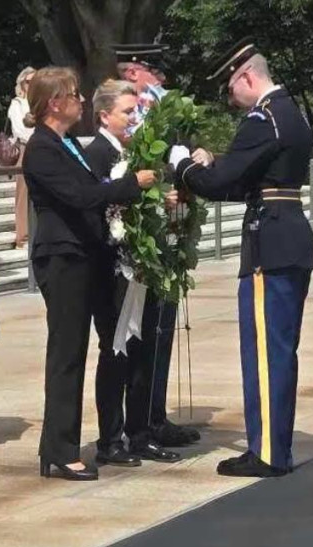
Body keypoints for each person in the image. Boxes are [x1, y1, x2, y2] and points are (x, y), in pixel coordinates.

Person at [169, 39, 313, 477]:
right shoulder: (292, 114)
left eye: (231, 89)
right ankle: (271, 445)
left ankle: (269, 452)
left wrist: (183, 166)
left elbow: (220, 186)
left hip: (268, 242)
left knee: (266, 353)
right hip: (287, 232)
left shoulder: (262, 118)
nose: (232, 101)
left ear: (247, 77)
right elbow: (252, 179)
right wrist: (214, 165)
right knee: (278, 350)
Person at [22, 67, 156, 481]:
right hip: (62, 257)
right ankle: (60, 449)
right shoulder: (42, 147)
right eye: (74, 95)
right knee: (66, 355)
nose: (81, 101)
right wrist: (130, 184)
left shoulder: (65, 144)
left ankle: (63, 445)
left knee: (82, 349)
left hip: (83, 256)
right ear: (54, 103)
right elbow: (81, 195)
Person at [86, 79, 181, 466]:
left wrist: (161, 199)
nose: (133, 118)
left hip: (141, 265)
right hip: (112, 268)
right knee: (116, 351)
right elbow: (98, 204)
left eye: (135, 111)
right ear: (104, 115)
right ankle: (110, 439)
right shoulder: (96, 155)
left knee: (142, 349)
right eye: (127, 111)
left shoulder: (138, 154)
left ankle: (140, 433)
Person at [114, 44, 202, 448]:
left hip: (166, 233)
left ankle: (154, 414)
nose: (161, 81)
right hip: (137, 244)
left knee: (161, 331)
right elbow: (135, 174)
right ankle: (139, 422)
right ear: (134, 73)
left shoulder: (162, 114)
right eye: (154, 72)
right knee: (141, 336)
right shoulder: (127, 116)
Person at [8, 66, 36, 249]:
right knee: (23, 193)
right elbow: (19, 129)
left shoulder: (41, 101)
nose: (32, 85)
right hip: (26, 147)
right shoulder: (17, 104)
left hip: (40, 146)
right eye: (29, 81)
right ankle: (23, 236)